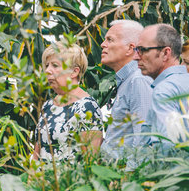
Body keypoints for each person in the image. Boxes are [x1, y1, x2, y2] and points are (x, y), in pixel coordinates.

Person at [35, 42, 103, 161]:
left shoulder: (87, 107)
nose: (48, 71)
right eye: (47, 65)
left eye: (55, 65)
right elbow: (37, 151)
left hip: (69, 179)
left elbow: (91, 160)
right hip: (42, 179)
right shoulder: (48, 106)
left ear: (74, 72)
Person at [99, 20, 152, 168]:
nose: (103, 44)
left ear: (130, 49)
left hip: (126, 180)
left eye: (110, 40)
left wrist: (130, 177)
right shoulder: (127, 81)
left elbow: (144, 137)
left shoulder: (138, 80)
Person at [133, 24, 189, 149]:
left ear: (165, 53)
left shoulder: (165, 90)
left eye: (142, 50)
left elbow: (165, 148)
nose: (136, 57)